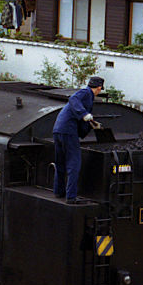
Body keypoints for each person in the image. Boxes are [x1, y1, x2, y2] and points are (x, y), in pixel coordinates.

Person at [52, 76, 104, 204]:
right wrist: (84, 114)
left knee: (60, 162)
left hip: (58, 129)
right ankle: (71, 197)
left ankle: (59, 191)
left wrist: (90, 125)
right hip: (68, 130)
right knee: (74, 163)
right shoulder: (86, 93)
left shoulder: (86, 95)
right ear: (98, 88)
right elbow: (73, 99)